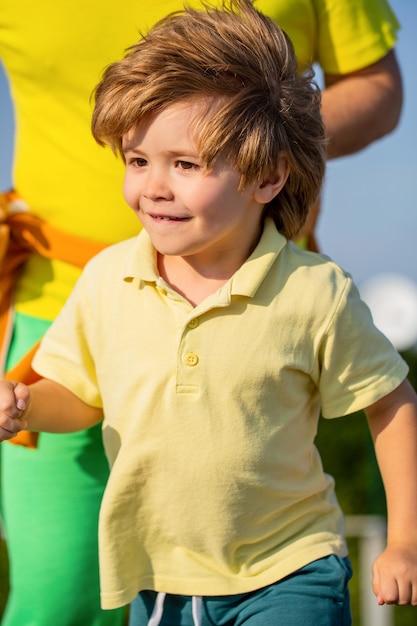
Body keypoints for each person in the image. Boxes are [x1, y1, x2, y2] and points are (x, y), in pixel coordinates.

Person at [1, 2, 416, 625]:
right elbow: (83, 396)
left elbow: (390, 401)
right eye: (137, 161)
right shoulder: (108, 281)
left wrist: (406, 539)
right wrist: (27, 404)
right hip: (158, 585)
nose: (153, 187)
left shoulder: (313, 291)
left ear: (269, 176)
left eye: (186, 164)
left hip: (292, 572)